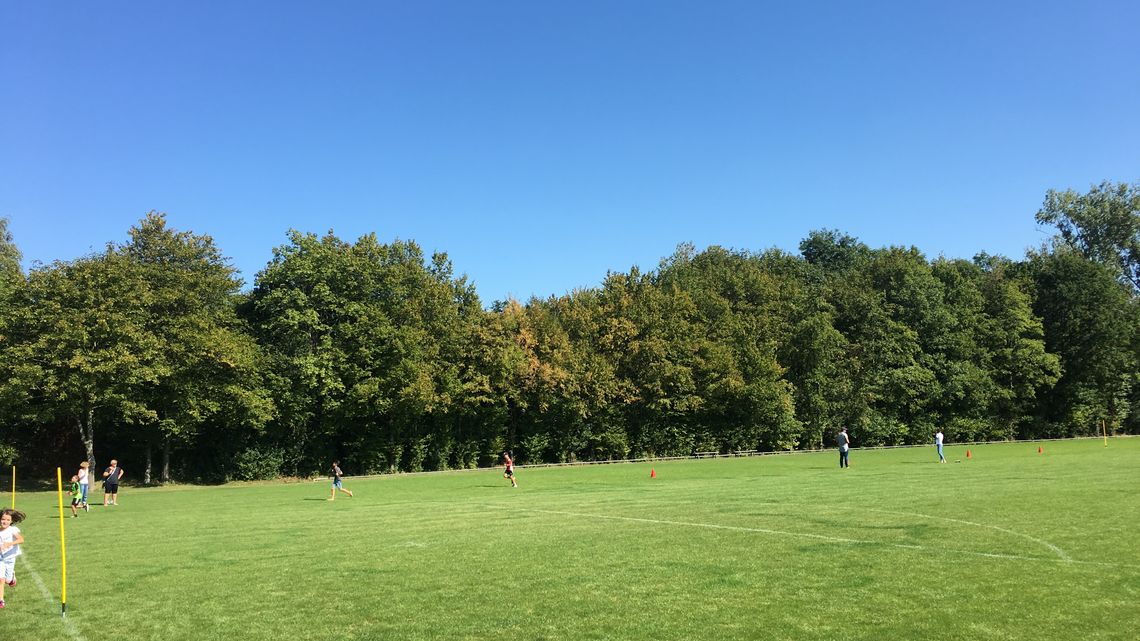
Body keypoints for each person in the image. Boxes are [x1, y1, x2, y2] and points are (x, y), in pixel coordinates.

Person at [0, 509, 26, 609]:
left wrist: (9, 543)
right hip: (0, 559)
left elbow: (21, 539)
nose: (5, 521)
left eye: (7, 519)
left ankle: (12, 577)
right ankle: (1, 600)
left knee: (7, 580)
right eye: (3, 519)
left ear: (11, 521)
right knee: (1, 580)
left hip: (10, 558)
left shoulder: (13, 530)